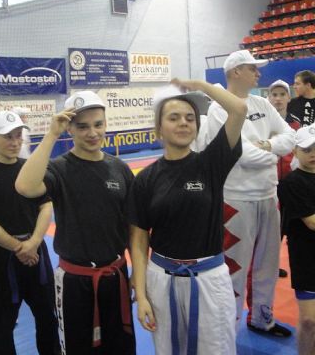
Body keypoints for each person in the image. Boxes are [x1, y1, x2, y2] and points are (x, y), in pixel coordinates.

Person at [129, 80, 246, 355]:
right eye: (174, 117)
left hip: (208, 278)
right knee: (167, 349)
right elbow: (139, 240)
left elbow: (239, 109)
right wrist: (141, 295)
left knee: (216, 350)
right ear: (158, 128)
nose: (183, 123)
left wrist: (196, 85)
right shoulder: (146, 178)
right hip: (161, 279)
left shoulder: (211, 163)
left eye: (190, 118)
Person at [15, 90, 136, 355]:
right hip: (75, 281)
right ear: (69, 129)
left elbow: (132, 227)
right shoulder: (59, 169)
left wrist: (137, 270)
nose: (92, 133)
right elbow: (25, 186)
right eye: (82, 127)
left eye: (98, 124)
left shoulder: (120, 169)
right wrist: (51, 135)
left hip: (115, 276)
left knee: (121, 347)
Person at [207, 50, 295, 336]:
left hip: (269, 195)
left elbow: (290, 137)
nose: (258, 73)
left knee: (267, 265)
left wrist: (266, 146)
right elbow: (241, 155)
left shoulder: (262, 103)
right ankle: (227, 330)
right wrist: (274, 149)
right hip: (236, 200)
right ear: (236, 72)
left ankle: (261, 318)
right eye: (252, 68)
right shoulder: (219, 108)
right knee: (234, 267)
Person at [0, 111, 59, 354]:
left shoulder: (30, 170)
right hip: (0, 258)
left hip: (35, 253)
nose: (15, 142)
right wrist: (19, 247)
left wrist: (34, 242)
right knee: (1, 322)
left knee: (48, 315)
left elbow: (46, 206)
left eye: (18, 135)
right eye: (8, 136)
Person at [278, 124, 315, 355]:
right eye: (307, 149)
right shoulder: (291, 183)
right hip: (307, 259)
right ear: (295, 151)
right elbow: (311, 222)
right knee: (309, 321)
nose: (312, 154)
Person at [268, 79, 301, 278]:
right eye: (274, 95)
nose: (278, 99)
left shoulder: (296, 123)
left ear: (289, 97)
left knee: (290, 226)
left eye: (282, 95)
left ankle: (285, 264)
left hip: (291, 183)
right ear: (268, 98)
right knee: (271, 229)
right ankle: (268, 265)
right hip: (268, 183)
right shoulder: (262, 121)